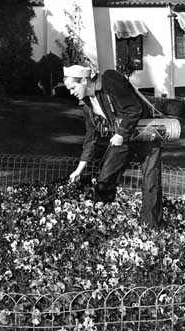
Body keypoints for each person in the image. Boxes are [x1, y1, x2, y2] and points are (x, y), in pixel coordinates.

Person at [63, 65, 162, 227]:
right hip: (123, 138)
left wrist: (120, 134)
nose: (71, 92)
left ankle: (151, 227)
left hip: (147, 133)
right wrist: (79, 170)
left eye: (73, 87)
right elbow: (91, 138)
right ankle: (104, 223)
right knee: (105, 179)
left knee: (151, 181)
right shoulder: (87, 104)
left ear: (83, 81)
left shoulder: (110, 80)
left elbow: (134, 108)